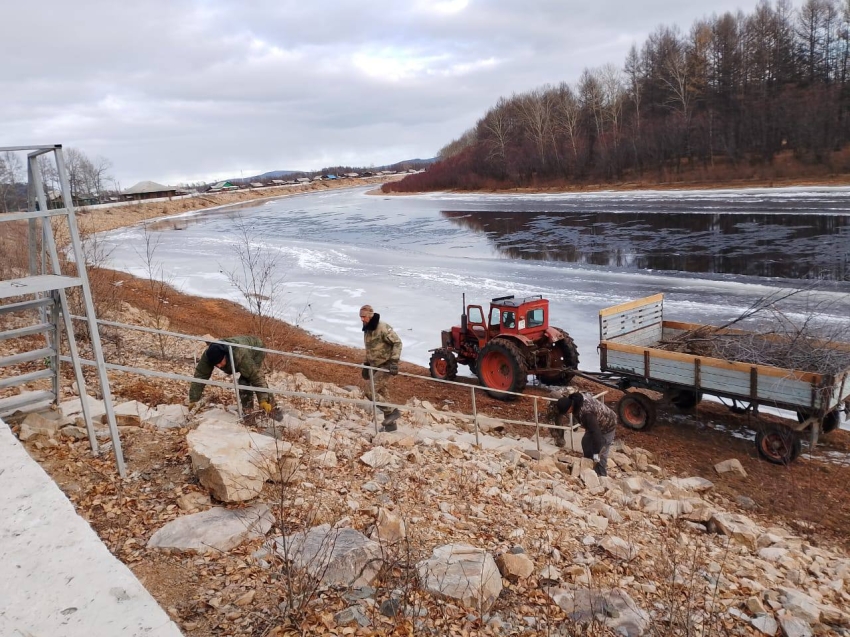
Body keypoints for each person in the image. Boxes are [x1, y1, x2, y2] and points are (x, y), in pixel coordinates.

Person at [189, 336, 274, 414]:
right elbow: (200, 375)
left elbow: (256, 377)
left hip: (256, 348)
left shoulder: (239, 355)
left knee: (245, 381)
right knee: (244, 380)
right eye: (215, 364)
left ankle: (271, 407)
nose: (218, 366)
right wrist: (193, 399)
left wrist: (263, 400)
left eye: (219, 362)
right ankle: (248, 410)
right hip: (242, 349)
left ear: (225, 356)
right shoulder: (209, 356)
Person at [551, 390, 618, 476]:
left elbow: (596, 433)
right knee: (585, 442)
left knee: (601, 453)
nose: (567, 413)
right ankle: (588, 465)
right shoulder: (576, 400)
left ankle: (601, 476)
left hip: (608, 425)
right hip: (595, 423)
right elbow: (592, 428)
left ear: (570, 407)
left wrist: (596, 452)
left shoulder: (586, 413)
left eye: (567, 411)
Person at [359, 304, 403, 432]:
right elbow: (370, 349)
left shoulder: (383, 327)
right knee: (383, 393)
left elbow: (397, 342)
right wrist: (366, 365)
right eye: (360, 317)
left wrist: (394, 361)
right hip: (375, 367)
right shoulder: (367, 330)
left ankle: (393, 411)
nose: (362, 319)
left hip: (386, 365)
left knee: (369, 391)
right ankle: (390, 426)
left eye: (364, 317)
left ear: (370, 315)